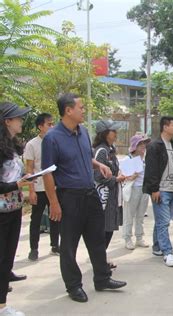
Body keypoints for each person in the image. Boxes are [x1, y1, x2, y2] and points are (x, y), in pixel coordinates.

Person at [42, 93, 126, 303]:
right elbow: (47, 173)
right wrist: (53, 203)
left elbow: (85, 157)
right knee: (69, 245)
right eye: (80, 107)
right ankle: (74, 286)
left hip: (90, 193)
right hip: (69, 197)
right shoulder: (52, 138)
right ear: (68, 110)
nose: (84, 110)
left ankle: (102, 278)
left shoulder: (83, 132)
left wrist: (99, 164)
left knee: (97, 238)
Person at [0, 102, 32, 316]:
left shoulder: (13, 146)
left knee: (7, 259)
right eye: (18, 118)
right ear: (7, 121)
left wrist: (24, 181)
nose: (22, 121)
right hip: (1, 212)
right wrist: (16, 185)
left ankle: (2, 305)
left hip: (14, 209)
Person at [143, 116, 173, 267]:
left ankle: (157, 246)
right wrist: (154, 189)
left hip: (171, 189)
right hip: (161, 190)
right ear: (165, 127)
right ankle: (168, 252)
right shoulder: (155, 146)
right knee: (164, 222)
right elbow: (151, 169)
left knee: (161, 221)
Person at [24, 113, 60, 261]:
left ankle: (55, 245)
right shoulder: (32, 144)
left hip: (54, 187)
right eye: (48, 124)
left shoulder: (55, 142)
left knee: (55, 217)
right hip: (39, 188)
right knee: (36, 219)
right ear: (40, 126)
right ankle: (34, 249)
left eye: (53, 124)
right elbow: (29, 169)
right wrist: (31, 190)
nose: (52, 127)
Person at [93, 120, 127, 269]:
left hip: (112, 196)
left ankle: (101, 260)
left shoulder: (110, 150)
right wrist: (116, 179)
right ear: (105, 134)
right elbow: (98, 176)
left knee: (108, 229)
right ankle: (99, 263)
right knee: (104, 230)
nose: (116, 134)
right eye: (113, 131)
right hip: (104, 198)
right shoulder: (102, 151)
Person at [122, 133, 151, 250]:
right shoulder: (127, 159)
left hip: (144, 189)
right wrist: (133, 174)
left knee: (140, 215)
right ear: (135, 146)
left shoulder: (146, 159)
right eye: (140, 144)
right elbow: (124, 176)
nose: (143, 146)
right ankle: (127, 238)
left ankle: (139, 237)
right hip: (133, 189)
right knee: (129, 215)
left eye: (144, 144)